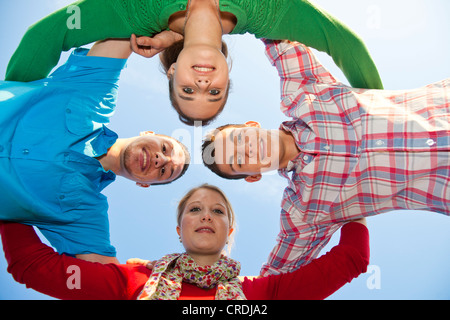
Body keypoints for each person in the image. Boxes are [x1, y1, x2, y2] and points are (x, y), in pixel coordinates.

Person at [201, 39, 450, 276]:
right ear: (253, 176)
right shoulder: (305, 211)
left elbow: (274, 25)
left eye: (240, 139)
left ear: (252, 125)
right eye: (239, 161)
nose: (248, 150)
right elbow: (274, 282)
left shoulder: (304, 94)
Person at [5, 0, 383, 126]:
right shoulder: (272, 12)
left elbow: (45, 35)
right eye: (213, 91)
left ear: (173, 71)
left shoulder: (133, 12)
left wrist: (12, 108)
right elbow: (347, 45)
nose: (202, 84)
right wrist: (378, 112)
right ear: (226, 72)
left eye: (188, 90)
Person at [0, 38, 190, 265]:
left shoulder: (85, 214)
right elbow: (124, 32)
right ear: (147, 132)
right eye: (165, 148)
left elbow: (108, 278)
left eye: (164, 172)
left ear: (144, 184)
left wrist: (145, 276)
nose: (161, 159)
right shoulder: (95, 96)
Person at [0, 184, 369, 300]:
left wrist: (355, 195)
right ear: (180, 229)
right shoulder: (131, 283)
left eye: (218, 211)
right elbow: (32, 265)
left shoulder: (262, 295)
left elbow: (351, 258)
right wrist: (9, 191)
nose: (206, 215)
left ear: (230, 231)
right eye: (195, 209)